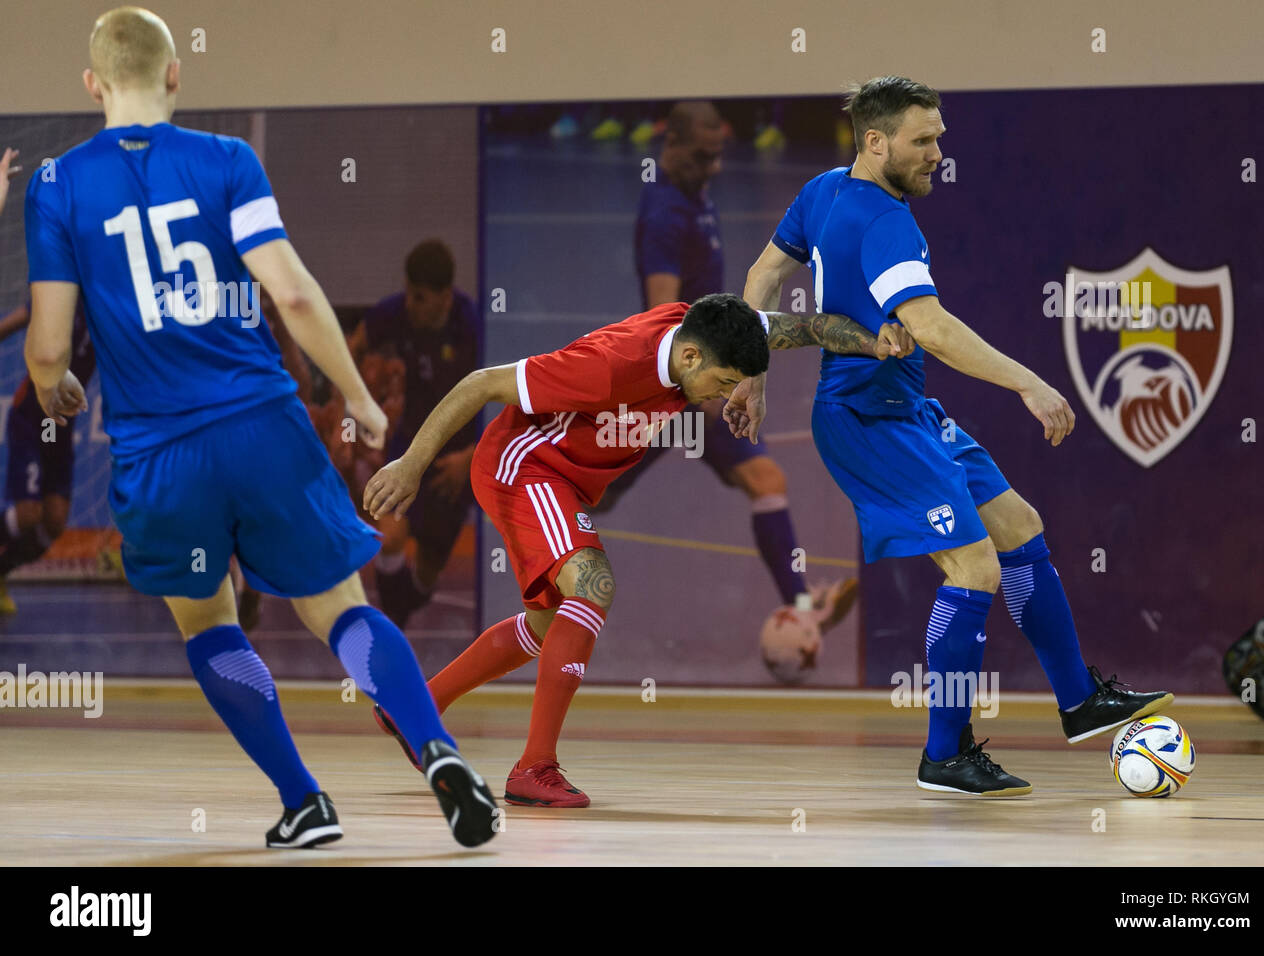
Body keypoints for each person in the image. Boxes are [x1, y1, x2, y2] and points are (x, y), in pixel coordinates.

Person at [24, 6, 496, 847]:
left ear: (92, 86)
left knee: (210, 624)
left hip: (162, 455)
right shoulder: (227, 160)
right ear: (176, 75)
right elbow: (298, 295)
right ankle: (437, 753)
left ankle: (304, 801)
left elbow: (51, 344)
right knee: (342, 610)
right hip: (266, 426)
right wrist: (356, 397)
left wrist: (53, 387)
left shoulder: (56, 185)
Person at [735, 76, 1173, 796]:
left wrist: (753, 372)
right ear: (875, 142)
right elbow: (932, 328)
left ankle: (1078, 700)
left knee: (1020, 526)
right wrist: (1029, 382)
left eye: (939, 135)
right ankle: (947, 752)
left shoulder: (822, 191)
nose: (939, 151)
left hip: (907, 411)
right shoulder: (887, 222)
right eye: (923, 139)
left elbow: (763, 274)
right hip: (866, 419)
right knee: (974, 569)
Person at [365, 293, 912, 806]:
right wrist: (410, 465)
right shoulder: (608, 366)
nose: (723, 397)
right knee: (594, 582)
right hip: (525, 466)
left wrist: (875, 341)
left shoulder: (711, 331)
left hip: (570, 479)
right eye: (722, 383)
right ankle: (534, 769)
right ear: (691, 354)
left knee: (549, 621)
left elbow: (809, 326)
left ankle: (414, 706)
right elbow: (480, 384)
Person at [610, 100, 856, 632]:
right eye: (704, 157)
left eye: (720, 155)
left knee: (764, 478)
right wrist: (704, 388)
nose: (716, 167)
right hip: (679, 389)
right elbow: (660, 317)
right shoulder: (665, 215)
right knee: (595, 493)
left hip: (693, 390)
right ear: (669, 143)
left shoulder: (695, 193)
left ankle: (803, 607)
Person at [347, 240, 480, 628]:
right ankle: (392, 624)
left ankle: (408, 601)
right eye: (408, 292)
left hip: (458, 457)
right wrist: (348, 408)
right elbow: (352, 346)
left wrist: (470, 457)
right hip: (412, 442)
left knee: (429, 566)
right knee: (389, 536)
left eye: (419, 298)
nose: (410, 303)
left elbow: (504, 398)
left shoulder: (471, 328)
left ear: (444, 298)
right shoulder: (398, 313)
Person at [0, 300, 95, 613]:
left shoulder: (112, 315)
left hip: (60, 428)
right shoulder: (64, 297)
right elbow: (20, 317)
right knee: (28, 513)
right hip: (30, 418)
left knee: (54, 523)